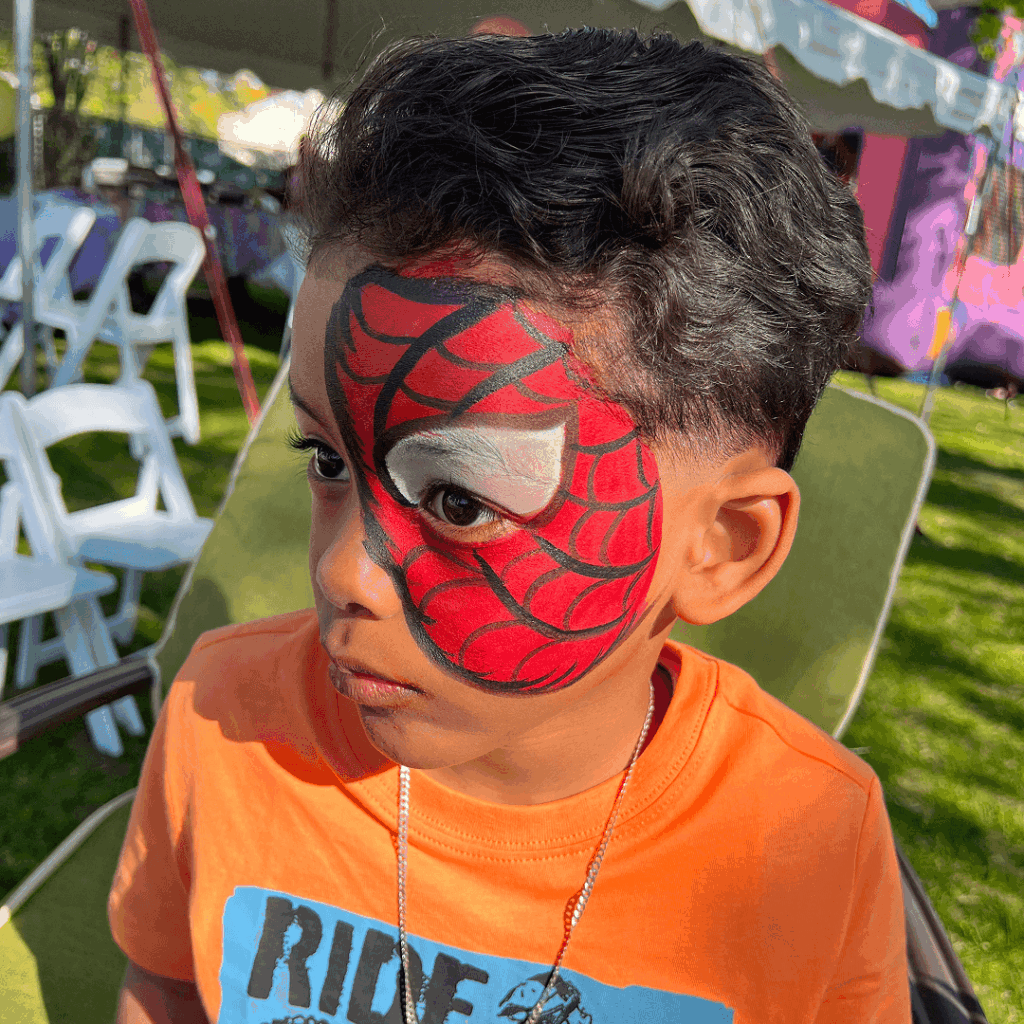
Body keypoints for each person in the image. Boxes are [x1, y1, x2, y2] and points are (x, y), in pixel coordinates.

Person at [109, 29, 907, 1024]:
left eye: (458, 500)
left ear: (723, 545)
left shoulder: (810, 838)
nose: (345, 571)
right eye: (325, 461)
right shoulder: (222, 719)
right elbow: (165, 983)